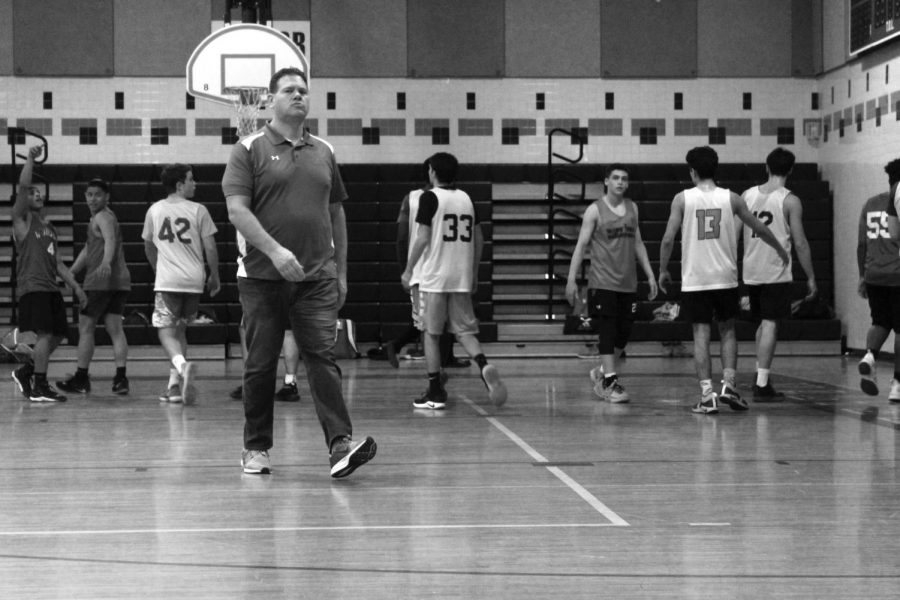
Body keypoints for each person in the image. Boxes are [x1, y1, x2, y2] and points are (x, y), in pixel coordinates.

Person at [222, 66, 376, 477]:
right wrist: (275, 253)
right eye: (289, 90)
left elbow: (336, 213)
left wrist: (340, 272)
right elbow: (236, 210)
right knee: (260, 363)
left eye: (304, 91)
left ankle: (340, 444)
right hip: (260, 278)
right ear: (270, 100)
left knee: (322, 358)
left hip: (316, 278)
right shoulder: (248, 149)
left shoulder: (324, 151)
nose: (298, 96)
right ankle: (255, 448)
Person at [658, 146, 788, 414]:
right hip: (725, 279)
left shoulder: (681, 199)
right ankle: (729, 387)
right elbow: (760, 228)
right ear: (716, 169)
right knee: (728, 331)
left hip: (696, 280)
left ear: (692, 172)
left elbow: (668, 238)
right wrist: (779, 248)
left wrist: (662, 269)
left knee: (700, 335)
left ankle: (707, 396)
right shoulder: (733, 199)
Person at [401, 152, 507, 410]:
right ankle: (483, 364)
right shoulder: (466, 199)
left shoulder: (429, 197)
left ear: (432, 172)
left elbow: (423, 237)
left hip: (435, 277)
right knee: (465, 331)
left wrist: (408, 268)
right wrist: (473, 272)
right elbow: (479, 239)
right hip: (461, 275)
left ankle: (435, 390)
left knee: (431, 334)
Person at [565, 163, 657, 403]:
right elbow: (581, 246)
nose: (620, 182)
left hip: (628, 283)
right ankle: (609, 383)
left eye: (624, 179)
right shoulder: (594, 210)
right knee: (607, 330)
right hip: (603, 281)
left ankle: (603, 372)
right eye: (615, 178)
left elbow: (638, 243)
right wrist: (571, 279)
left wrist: (650, 274)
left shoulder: (633, 208)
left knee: (623, 334)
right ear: (606, 181)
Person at [10, 145, 87, 402]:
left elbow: (58, 263)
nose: (36, 194)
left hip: (51, 287)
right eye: (32, 192)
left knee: (58, 335)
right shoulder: (22, 221)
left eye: (39, 192)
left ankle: (27, 370)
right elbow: (22, 185)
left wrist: (75, 287)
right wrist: (30, 159)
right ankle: (39, 387)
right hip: (33, 287)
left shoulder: (49, 227)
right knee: (44, 335)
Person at [740, 148, 817, 400]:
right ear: (791, 170)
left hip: (751, 269)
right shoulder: (790, 200)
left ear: (766, 166)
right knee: (771, 323)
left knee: (763, 323)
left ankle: (759, 377)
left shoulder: (747, 195)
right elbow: (801, 242)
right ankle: (762, 385)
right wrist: (811, 277)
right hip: (775, 269)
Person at [142, 163, 220, 404]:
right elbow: (210, 247)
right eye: (190, 179)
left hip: (169, 281)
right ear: (179, 185)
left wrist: (159, 269)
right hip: (194, 281)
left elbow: (148, 246)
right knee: (180, 332)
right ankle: (174, 386)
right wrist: (214, 274)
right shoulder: (199, 210)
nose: (194, 183)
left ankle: (182, 366)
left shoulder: (154, 210)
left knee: (165, 333)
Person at [385, 172, 469, 373]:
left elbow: (402, 237)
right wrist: (407, 270)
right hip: (430, 269)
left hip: (431, 269)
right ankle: (435, 373)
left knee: (435, 322)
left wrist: (405, 268)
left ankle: (441, 364)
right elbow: (407, 237)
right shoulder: (453, 198)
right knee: (428, 324)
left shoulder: (413, 198)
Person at [57, 178, 132, 395]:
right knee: (115, 330)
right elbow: (89, 248)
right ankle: (120, 378)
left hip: (100, 280)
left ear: (107, 196)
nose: (92, 199)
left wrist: (106, 262)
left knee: (86, 329)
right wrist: (72, 271)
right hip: (119, 281)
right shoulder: (102, 217)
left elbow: (110, 241)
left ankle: (81, 377)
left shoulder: (102, 216)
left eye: (97, 194)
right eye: (89, 194)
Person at [857, 158, 900, 402]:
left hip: (874, 274)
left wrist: (862, 275)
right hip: (897, 274)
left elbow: (861, 245)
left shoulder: (871, 203)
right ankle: (897, 384)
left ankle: (870, 355)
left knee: (880, 321)